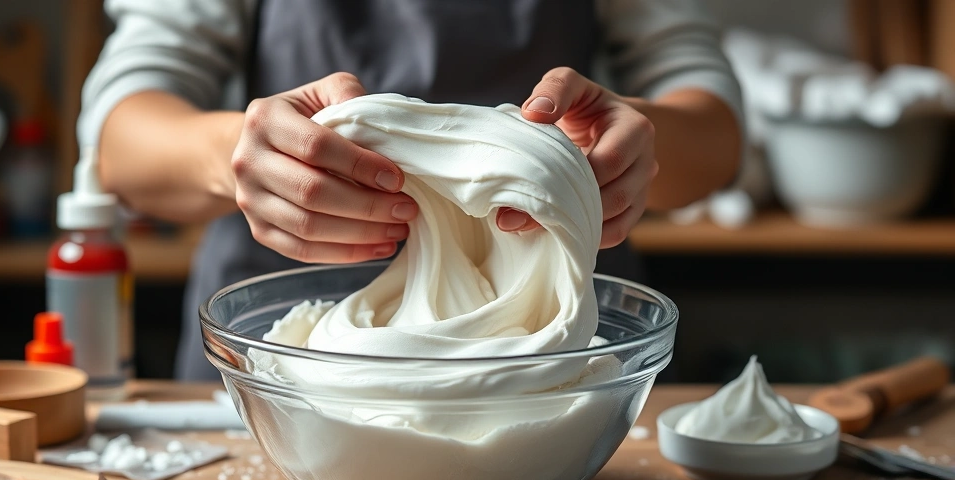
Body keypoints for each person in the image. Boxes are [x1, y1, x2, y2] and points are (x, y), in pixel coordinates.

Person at [79, 0, 743, 381]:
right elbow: (121, 143)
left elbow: (717, 135)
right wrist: (238, 157)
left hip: (549, 356)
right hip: (284, 360)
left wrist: (625, 155)